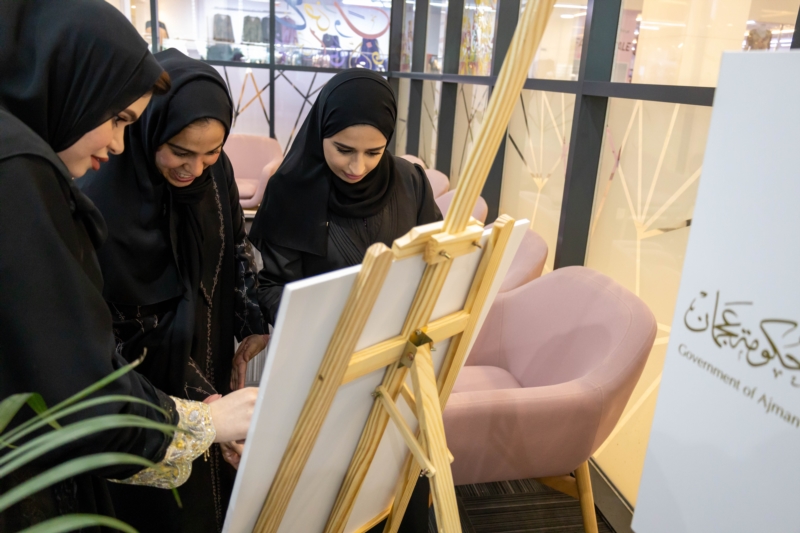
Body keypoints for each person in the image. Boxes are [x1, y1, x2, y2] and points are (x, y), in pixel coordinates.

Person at [0, 1, 256, 530]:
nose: (116, 143)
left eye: (212, 155)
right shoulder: (25, 175)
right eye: (118, 120)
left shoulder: (212, 181)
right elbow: (71, 371)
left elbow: (226, 268)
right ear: (77, 85)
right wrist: (200, 420)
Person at [79, 49, 266, 533]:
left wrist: (252, 332)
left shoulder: (214, 175)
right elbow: (103, 333)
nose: (195, 169)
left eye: (212, 153)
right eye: (180, 152)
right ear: (148, 129)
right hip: (140, 392)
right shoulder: (97, 197)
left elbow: (235, 254)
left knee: (210, 504)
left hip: (208, 359)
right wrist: (201, 410)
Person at [248, 69, 442, 327]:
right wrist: (323, 322)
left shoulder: (410, 181)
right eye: (343, 149)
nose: (357, 168)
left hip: (396, 342)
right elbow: (274, 287)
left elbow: (434, 257)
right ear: (320, 133)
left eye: (374, 152)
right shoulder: (290, 192)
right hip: (320, 347)